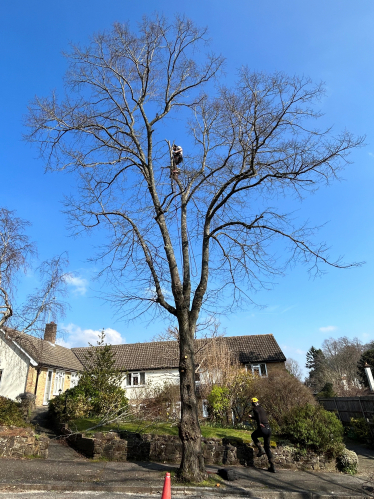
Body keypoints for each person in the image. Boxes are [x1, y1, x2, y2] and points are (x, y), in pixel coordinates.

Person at [249, 397, 276, 473]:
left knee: (253, 436)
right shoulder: (261, 408)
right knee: (267, 448)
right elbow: (259, 417)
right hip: (268, 429)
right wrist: (252, 417)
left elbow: (258, 417)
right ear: (258, 402)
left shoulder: (255, 409)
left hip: (263, 429)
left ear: (252, 404)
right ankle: (272, 466)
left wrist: (259, 425)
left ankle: (260, 449)